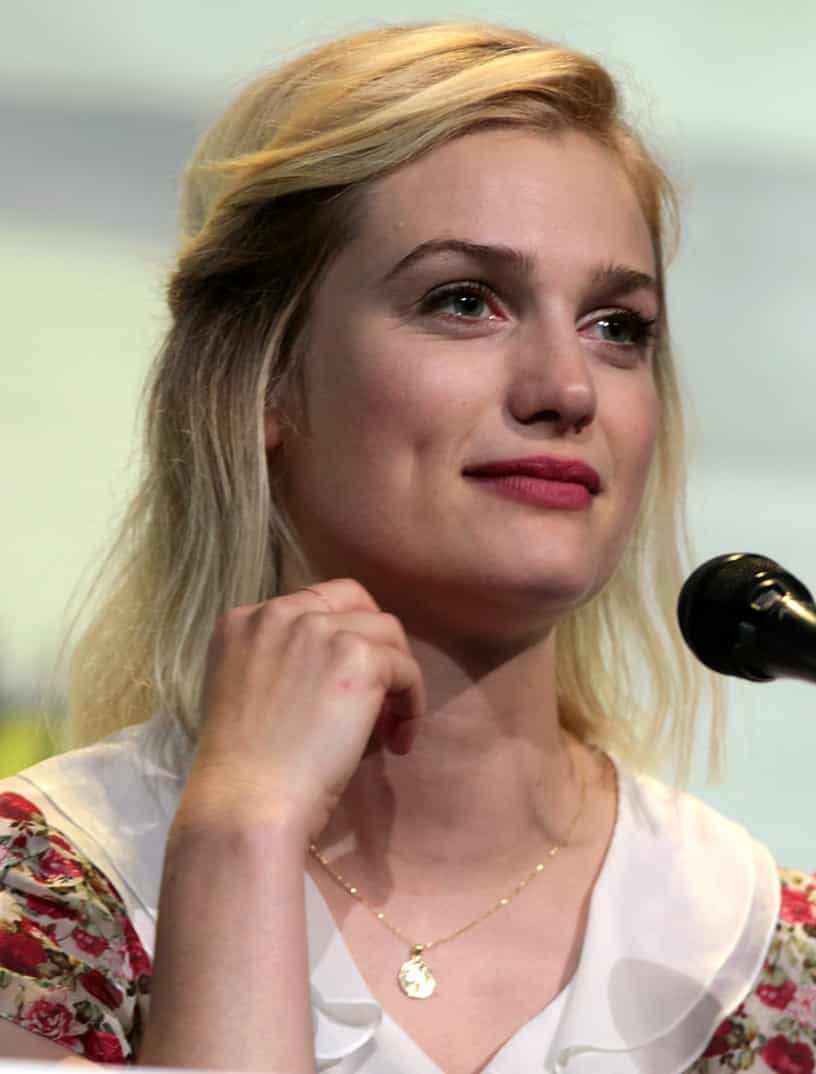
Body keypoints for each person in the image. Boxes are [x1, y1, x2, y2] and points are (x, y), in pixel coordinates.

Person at [1, 18, 814, 1073]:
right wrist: (245, 829)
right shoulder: (44, 902)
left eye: (617, 326)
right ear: (261, 380)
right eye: (464, 302)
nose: (567, 390)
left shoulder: (763, 965)